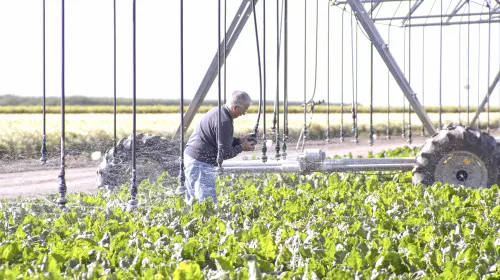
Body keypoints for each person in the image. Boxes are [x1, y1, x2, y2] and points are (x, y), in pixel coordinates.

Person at [183, 90, 256, 204]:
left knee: (193, 202)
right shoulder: (224, 121)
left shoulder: (218, 111)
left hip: (193, 158)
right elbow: (224, 153)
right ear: (235, 108)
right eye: (243, 111)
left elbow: (220, 140)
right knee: (207, 203)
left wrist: (239, 140)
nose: (243, 114)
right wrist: (242, 147)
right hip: (200, 162)